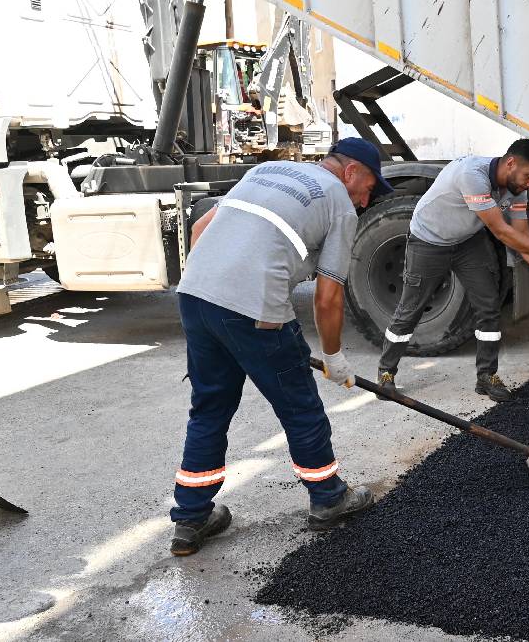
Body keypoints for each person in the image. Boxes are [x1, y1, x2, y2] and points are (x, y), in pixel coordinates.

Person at [167, 138, 391, 556]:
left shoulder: (261, 171)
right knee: (299, 405)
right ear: (351, 172)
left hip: (195, 295)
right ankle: (328, 498)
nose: (364, 202)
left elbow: (200, 230)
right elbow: (328, 297)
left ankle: (191, 517)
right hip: (256, 307)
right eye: (368, 190)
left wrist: (217, 295)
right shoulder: (338, 201)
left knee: (210, 405)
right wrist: (334, 356)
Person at [377, 139, 529, 402]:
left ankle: (487, 376)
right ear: (510, 163)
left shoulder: (516, 189)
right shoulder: (472, 175)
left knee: (489, 305)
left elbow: (522, 236)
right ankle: (386, 373)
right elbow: (502, 232)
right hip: (429, 240)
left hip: (467, 241)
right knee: (411, 309)